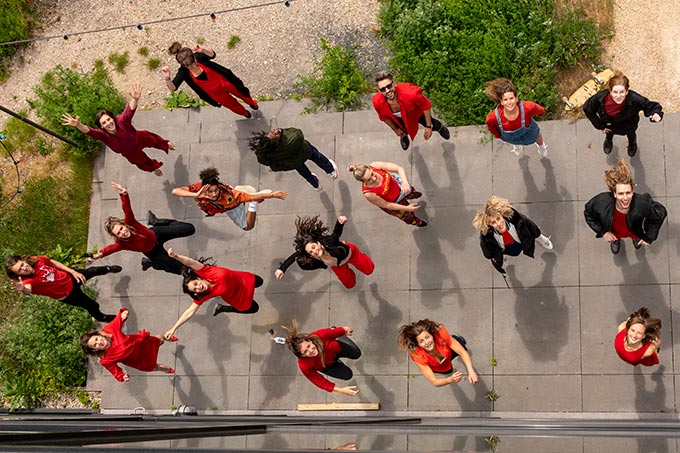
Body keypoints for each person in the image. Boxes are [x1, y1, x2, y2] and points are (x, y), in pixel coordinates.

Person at [62, 82, 174, 176]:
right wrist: (78, 125)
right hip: (131, 153)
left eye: (109, 119)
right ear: (101, 126)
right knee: (143, 162)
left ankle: (166, 144)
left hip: (139, 138)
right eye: (104, 123)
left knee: (155, 140)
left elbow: (129, 110)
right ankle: (154, 168)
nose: (108, 123)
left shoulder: (121, 121)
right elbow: (89, 131)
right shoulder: (103, 135)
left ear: (113, 118)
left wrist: (135, 99)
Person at [90, 181, 195, 274]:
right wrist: (100, 254)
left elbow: (127, 209)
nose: (122, 232)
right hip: (153, 252)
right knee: (180, 270)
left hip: (158, 234)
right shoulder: (122, 244)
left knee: (190, 229)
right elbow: (111, 249)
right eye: (118, 233)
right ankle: (150, 263)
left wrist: (124, 194)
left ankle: (158, 222)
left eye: (121, 228)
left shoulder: (130, 222)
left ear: (124, 225)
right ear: (117, 236)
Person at [163, 249, 263, 340]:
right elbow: (189, 312)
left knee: (260, 281)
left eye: (196, 284)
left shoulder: (205, 271)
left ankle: (223, 308)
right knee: (254, 308)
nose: (199, 288)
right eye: (195, 290)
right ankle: (225, 308)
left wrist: (176, 257)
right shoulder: (205, 294)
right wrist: (174, 328)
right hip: (237, 298)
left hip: (243, 280)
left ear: (198, 278)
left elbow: (190, 262)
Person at [584, 158, 667, 255]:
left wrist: (649, 236)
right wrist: (603, 232)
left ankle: (636, 238)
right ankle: (616, 240)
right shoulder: (601, 201)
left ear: (632, 192)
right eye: (620, 194)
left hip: (635, 230)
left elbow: (661, 213)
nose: (625, 198)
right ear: (614, 194)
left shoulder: (641, 203)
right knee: (615, 236)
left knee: (635, 235)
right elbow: (588, 214)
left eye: (628, 193)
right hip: (614, 231)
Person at [5, 255, 121, 322]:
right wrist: (22, 288)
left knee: (94, 271)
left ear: (24, 260)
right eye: (20, 270)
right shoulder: (28, 280)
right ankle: (101, 317)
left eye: (22, 264)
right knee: (92, 305)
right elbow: (28, 290)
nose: (24, 268)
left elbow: (52, 262)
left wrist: (72, 271)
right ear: (18, 275)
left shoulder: (36, 260)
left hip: (70, 277)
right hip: (69, 294)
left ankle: (108, 268)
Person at [172, 167, 288, 231]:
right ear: (204, 188)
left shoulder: (230, 196)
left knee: (247, 226)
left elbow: (251, 196)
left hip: (233, 206)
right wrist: (196, 195)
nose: (213, 194)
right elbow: (175, 191)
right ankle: (244, 192)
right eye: (210, 191)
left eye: (216, 190)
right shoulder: (198, 189)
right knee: (245, 197)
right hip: (224, 206)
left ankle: (252, 204)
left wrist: (272, 195)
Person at [161, 42, 258, 118]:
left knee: (242, 92)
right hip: (216, 95)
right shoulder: (183, 72)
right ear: (184, 66)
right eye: (189, 67)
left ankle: (251, 103)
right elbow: (173, 88)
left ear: (195, 58)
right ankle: (244, 113)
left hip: (226, 81)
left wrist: (203, 49)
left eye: (194, 63)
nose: (193, 67)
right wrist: (167, 78)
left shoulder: (199, 57)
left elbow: (212, 55)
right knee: (232, 105)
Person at [275, 215, 374, 289]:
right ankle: (349, 271)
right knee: (350, 285)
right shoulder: (314, 256)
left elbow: (336, 234)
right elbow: (294, 256)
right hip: (337, 265)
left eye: (314, 247)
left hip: (350, 254)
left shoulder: (328, 242)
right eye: (311, 252)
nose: (314, 251)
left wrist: (340, 222)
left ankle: (350, 247)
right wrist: (282, 269)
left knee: (369, 269)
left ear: (318, 243)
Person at [81, 308, 177, 382]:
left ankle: (167, 337)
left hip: (141, 345)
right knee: (154, 367)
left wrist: (124, 313)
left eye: (97, 339)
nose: (99, 342)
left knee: (159, 339)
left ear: (98, 334)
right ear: (95, 350)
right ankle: (165, 369)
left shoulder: (109, 330)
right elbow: (116, 371)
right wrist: (123, 376)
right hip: (138, 361)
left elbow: (119, 319)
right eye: (95, 345)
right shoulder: (105, 359)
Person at [583, 70, 663, 157]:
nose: (618, 96)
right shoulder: (600, 98)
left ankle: (632, 143)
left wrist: (656, 113)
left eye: (622, 92)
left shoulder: (634, 99)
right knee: (609, 132)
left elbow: (649, 105)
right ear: (610, 91)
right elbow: (588, 108)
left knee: (631, 134)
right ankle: (609, 140)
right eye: (615, 92)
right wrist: (599, 125)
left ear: (627, 91)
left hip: (628, 125)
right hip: (609, 124)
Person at [472, 195, 553, 274]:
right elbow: (486, 249)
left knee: (535, 234)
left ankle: (542, 240)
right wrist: (492, 257)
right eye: (493, 222)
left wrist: (538, 234)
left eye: (498, 218)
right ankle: (503, 258)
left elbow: (532, 226)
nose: (499, 224)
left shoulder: (518, 219)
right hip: (506, 248)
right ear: (490, 225)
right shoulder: (487, 237)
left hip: (521, 240)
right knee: (507, 254)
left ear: (502, 215)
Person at [372, 71, 450, 151]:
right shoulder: (377, 102)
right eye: (383, 89)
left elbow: (426, 105)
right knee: (402, 130)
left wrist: (428, 126)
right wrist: (395, 129)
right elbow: (384, 117)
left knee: (433, 124)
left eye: (389, 86)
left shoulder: (411, 94)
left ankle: (440, 128)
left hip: (417, 114)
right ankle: (404, 136)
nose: (387, 91)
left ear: (394, 83)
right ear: (379, 91)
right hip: (398, 119)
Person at [283, 321, 360, 396]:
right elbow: (318, 380)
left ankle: (341, 338)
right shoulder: (304, 365)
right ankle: (337, 362)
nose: (311, 350)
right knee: (348, 375)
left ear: (310, 340)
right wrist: (341, 390)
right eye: (305, 352)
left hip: (337, 350)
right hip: (326, 365)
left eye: (308, 346)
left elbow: (334, 332)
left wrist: (344, 330)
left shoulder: (319, 335)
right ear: (302, 356)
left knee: (357, 354)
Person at [248, 127, 338, 192]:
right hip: (305, 152)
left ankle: (316, 184)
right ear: (276, 142)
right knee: (317, 157)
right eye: (275, 134)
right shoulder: (292, 139)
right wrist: (282, 131)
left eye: (271, 132)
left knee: (304, 172)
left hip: (293, 163)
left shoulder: (265, 152)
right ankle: (330, 170)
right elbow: (297, 132)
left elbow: (263, 161)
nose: (275, 131)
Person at [397, 319, 478, 387]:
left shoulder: (441, 335)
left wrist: (471, 371)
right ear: (418, 344)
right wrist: (449, 380)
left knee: (461, 344)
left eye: (427, 337)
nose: (427, 342)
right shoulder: (419, 357)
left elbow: (462, 352)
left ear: (432, 335)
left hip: (450, 351)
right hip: (441, 366)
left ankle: (459, 340)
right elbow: (434, 381)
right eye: (421, 341)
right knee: (449, 370)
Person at [347, 161, 427, 227]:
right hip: (395, 202)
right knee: (407, 216)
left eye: (372, 174)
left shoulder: (375, 166)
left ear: (369, 168)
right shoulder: (368, 193)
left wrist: (405, 182)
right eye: (369, 180)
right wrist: (408, 208)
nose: (374, 179)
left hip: (400, 187)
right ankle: (417, 222)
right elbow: (387, 205)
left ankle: (412, 194)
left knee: (410, 191)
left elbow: (398, 168)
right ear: (363, 181)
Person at [485, 78, 548, 157]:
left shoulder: (528, 107)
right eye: (505, 100)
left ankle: (541, 146)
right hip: (512, 138)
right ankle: (517, 146)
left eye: (511, 98)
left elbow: (541, 110)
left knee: (537, 136)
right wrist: (498, 135)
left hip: (529, 133)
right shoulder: (493, 117)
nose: (509, 102)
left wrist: (542, 114)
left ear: (516, 98)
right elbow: (490, 126)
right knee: (514, 141)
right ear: (501, 102)